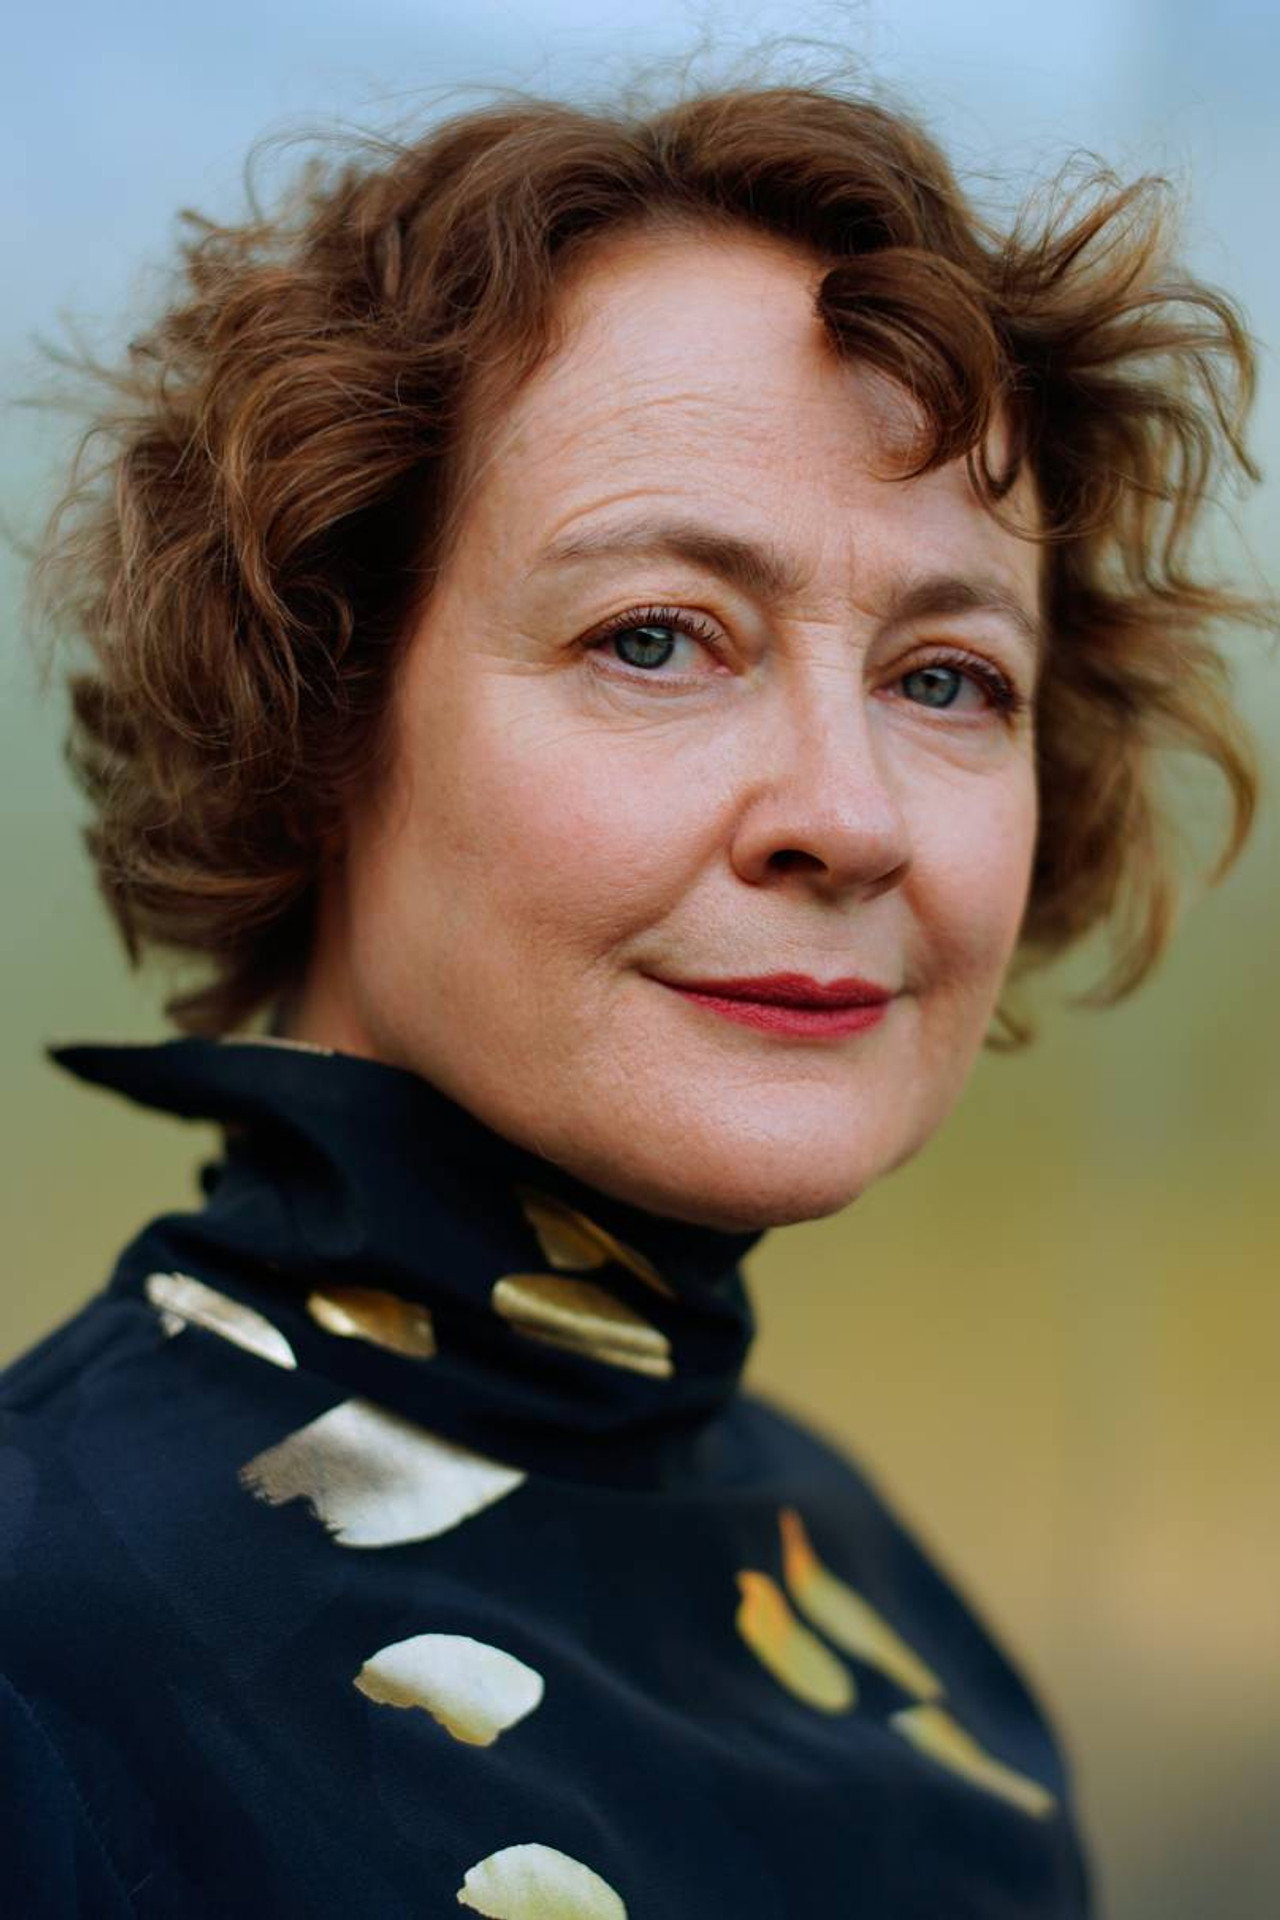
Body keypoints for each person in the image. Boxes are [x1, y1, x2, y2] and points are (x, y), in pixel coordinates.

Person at [2, 67, 1264, 1918]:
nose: (850, 816)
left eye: (945, 677)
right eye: (656, 638)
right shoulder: (45, 1650)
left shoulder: (880, 1602)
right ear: (319, 713)